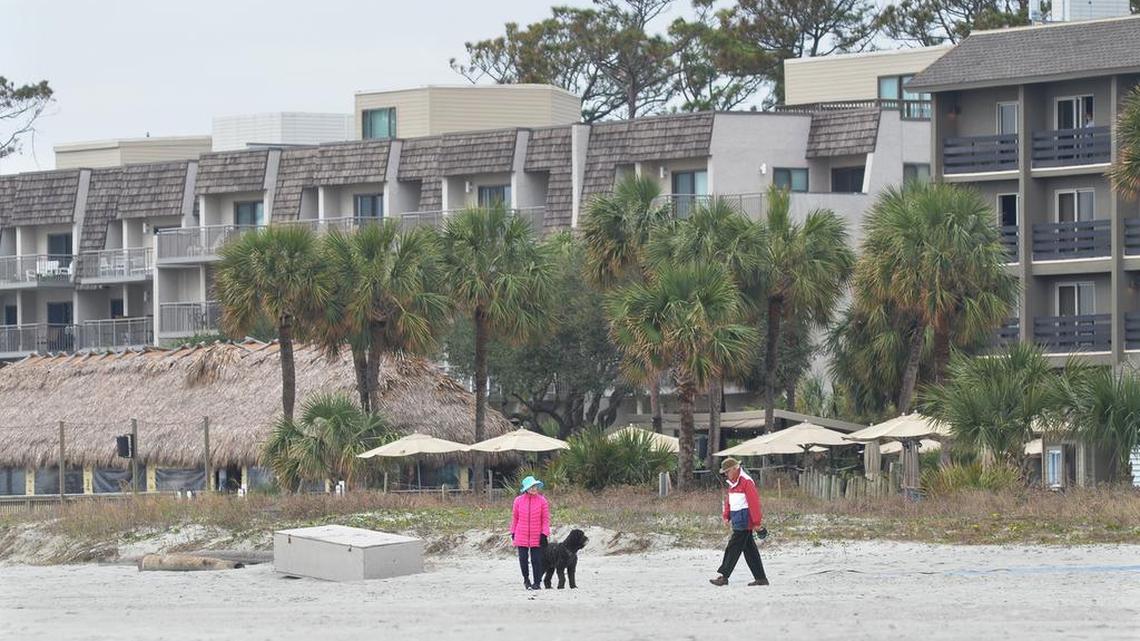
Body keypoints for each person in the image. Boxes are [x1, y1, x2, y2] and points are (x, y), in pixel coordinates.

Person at [709, 457, 769, 587]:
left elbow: (754, 504)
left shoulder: (747, 482)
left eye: (727, 471)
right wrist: (726, 516)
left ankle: (724, 576)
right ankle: (761, 578)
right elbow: (729, 501)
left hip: (745, 521)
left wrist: (757, 522)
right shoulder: (733, 482)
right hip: (738, 520)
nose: (725, 474)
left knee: (732, 548)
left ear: (735, 469)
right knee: (750, 551)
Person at [511, 475, 550, 590]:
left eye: (535, 486)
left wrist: (544, 534)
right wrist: (513, 532)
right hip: (521, 533)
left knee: (536, 560)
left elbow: (545, 519)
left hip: (537, 535)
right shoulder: (518, 500)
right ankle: (526, 580)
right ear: (526, 488)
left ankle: (537, 582)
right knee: (523, 559)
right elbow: (515, 518)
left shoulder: (542, 500)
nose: (534, 488)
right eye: (531, 487)